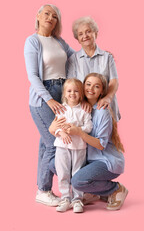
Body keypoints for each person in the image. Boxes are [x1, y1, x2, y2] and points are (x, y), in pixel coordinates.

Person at [49, 73, 128, 210]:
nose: (91, 88)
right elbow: (56, 126)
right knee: (54, 164)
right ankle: (89, 192)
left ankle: (115, 189)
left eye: (96, 86)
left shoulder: (102, 112)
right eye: (88, 84)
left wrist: (78, 132)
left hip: (105, 160)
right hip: (88, 156)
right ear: (83, 87)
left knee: (77, 180)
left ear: (101, 91)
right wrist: (53, 128)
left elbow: (101, 145)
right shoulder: (79, 107)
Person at [24, 4, 74, 207]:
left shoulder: (59, 41)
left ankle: (43, 189)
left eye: (55, 16)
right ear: (38, 15)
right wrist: (49, 99)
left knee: (46, 143)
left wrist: (100, 55)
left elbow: (75, 57)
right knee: (55, 141)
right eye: (47, 13)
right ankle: (47, 190)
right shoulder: (32, 41)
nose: (51, 18)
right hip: (42, 97)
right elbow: (33, 76)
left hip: (62, 93)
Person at [67, 16, 120, 121]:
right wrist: (82, 101)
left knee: (108, 136)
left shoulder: (107, 57)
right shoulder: (73, 59)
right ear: (77, 39)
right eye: (80, 34)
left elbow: (114, 81)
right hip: (84, 109)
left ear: (96, 33)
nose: (85, 36)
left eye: (88, 31)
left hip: (106, 106)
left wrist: (107, 98)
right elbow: (71, 84)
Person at [53, 78, 92, 213]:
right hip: (62, 146)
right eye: (69, 91)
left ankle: (77, 199)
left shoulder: (84, 110)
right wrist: (61, 133)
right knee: (62, 172)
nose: (72, 93)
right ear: (64, 93)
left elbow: (89, 126)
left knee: (76, 173)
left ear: (81, 94)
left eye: (76, 91)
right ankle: (65, 198)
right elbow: (55, 127)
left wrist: (77, 129)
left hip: (79, 147)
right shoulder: (60, 109)